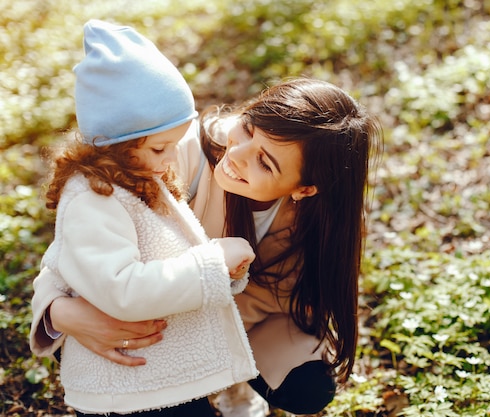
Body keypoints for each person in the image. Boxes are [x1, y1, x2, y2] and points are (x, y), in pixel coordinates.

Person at [30, 74, 383, 414]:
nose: (238, 154)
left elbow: (287, 301)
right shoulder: (174, 155)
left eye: (264, 162)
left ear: (304, 189)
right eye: (247, 128)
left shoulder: (318, 222)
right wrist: (60, 312)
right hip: (144, 312)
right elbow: (79, 244)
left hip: (212, 317)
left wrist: (215, 334)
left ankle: (233, 384)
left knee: (308, 386)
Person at [33, 19, 258, 416]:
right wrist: (211, 263)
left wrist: (223, 270)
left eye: (175, 145)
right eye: (160, 148)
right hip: (128, 387)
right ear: (114, 142)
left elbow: (169, 255)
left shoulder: (137, 176)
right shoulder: (92, 198)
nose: (173, 158)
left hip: (158, 375)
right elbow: (124, 291)